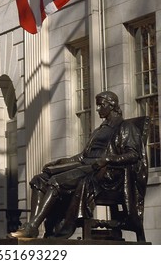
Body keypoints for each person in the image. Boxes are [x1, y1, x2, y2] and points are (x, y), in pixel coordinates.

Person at [10, 91, 147, 239]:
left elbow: (133, 155)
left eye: (101, 105)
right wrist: (59, 162)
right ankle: (33, 225)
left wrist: (107, 160)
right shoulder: (99, 130)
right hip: (86, 167)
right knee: (39, 180)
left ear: (112, 105)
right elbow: (82, 156)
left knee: (56, 182)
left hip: (105, 175)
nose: (98, 108)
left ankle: (33, 227)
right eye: (98, 105)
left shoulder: (125, 127)